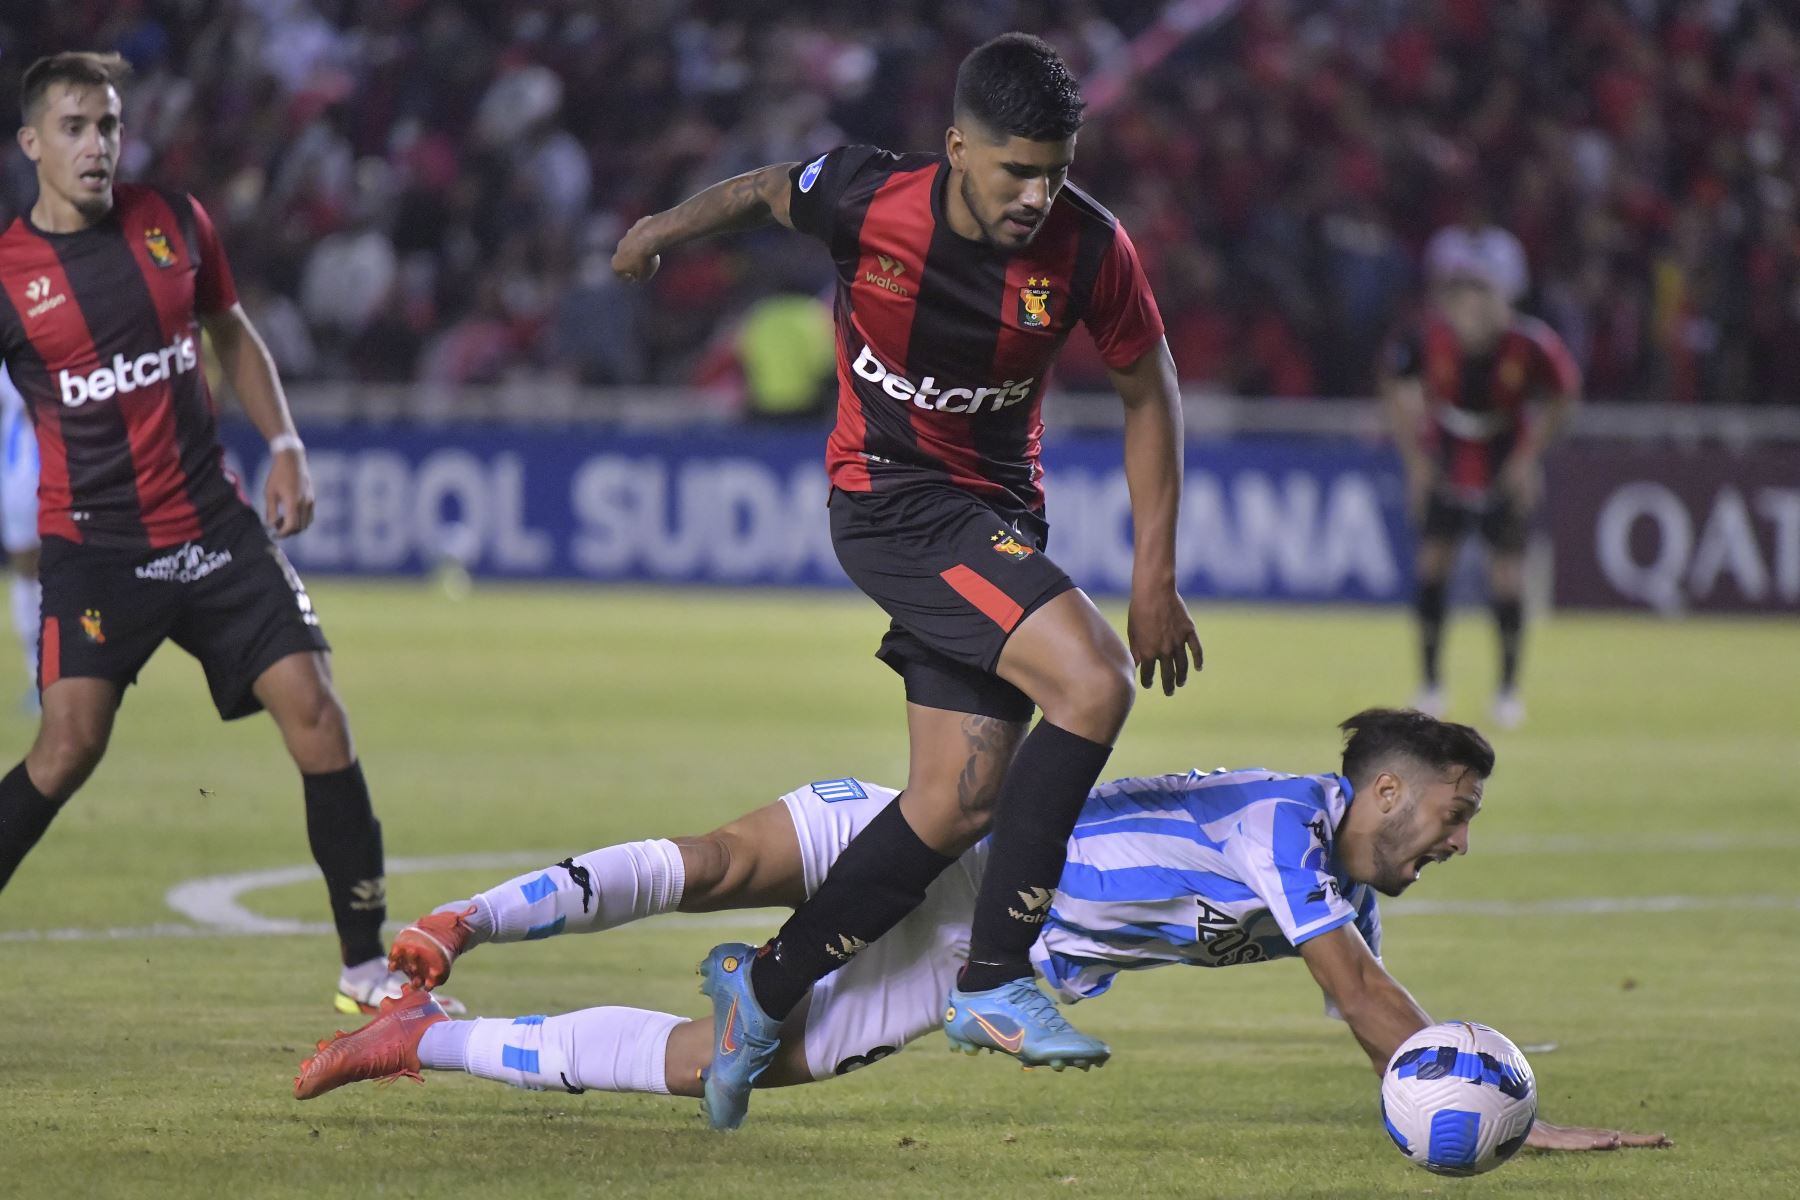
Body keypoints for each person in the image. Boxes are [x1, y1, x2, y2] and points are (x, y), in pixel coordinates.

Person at [608, 31, 1202, 1130]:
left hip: (996, 516)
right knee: (1095, 683)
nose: (1037, 194)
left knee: (955, 801)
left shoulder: (1087, 248)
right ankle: (994, 979)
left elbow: (1148, 389)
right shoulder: (870, 199)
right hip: (890, 499)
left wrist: (1154, 572)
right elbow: (759, 191)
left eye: (1057, 169)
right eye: (1017, 168)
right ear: (957, 148)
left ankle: (764, 992)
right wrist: (657, 229)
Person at [293, 708, 1669, 1156]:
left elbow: (1371, 1010)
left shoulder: (1341, 885)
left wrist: (1477, 1096)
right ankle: (457, 925)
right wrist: (1490, 1096)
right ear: (1387, 791)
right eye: (1455, 812)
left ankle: (426, 1037)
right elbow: (1370, 1003)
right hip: (952, 832)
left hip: (971, 955)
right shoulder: (1287, 833)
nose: (1460, 840)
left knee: (743, 1067)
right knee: (724, 861)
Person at [0, 52, 456, 1016]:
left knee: (318, 712)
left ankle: (367, 970)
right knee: (67, 747)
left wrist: (285, 440)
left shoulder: (173, 222)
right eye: (76, 128)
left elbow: (230, 330)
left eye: (110, 126)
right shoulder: (10, 276)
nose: (97, 146)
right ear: (32, 143)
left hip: (213, 524)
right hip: (97, 550)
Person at [1383, 226, 1580, 730]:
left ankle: (1508, 690)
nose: (1471, 311)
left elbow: (1564, 393)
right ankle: (1430, 684)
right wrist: (1417, 462)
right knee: (1432, 569)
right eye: (1461, 300)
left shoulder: (1530, 345)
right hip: (1447, 455)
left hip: (1502, 455)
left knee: (1508, 578)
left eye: (1481, 298)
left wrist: (1528, 457)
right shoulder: (1426, 338)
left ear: (1500, 300)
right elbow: (1395, 386)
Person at [1, 366, 40, 711]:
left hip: (45, 469)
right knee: (27, 569)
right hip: (18, 474)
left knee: (44, 570)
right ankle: (39, 673)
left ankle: (50, 674)